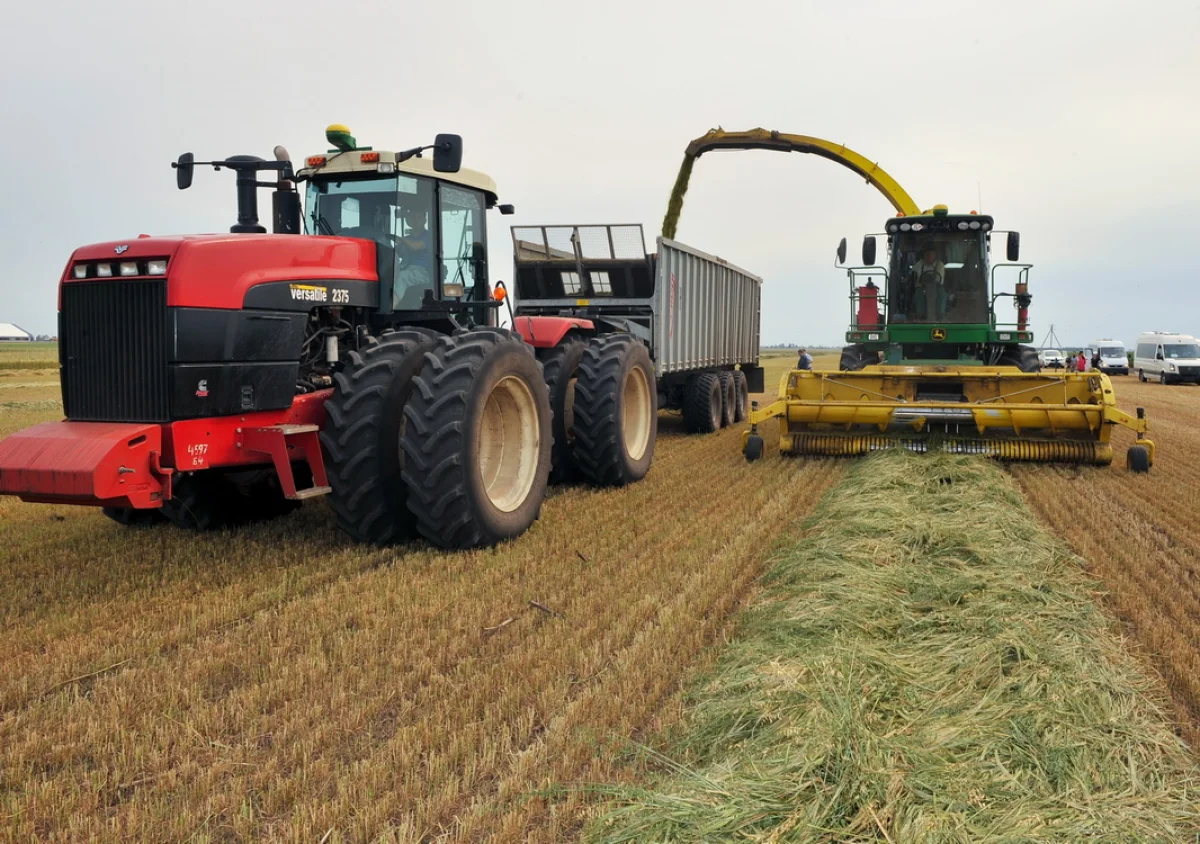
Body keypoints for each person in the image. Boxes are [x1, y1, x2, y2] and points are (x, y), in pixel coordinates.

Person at [393, 204, 434, 308]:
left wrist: (401, 240)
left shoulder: (429, 236)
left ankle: (390, 306)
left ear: (424, 219)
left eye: (418, 217)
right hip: (404, 268)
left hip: (422, 272)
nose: (415, 220)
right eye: (413, 217)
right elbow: (397, 252)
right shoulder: (407, 238)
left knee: (402, 277)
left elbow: (415, 247)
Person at [910, 247, 946, 321]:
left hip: (936, 286)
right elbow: (913, 275)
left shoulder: (939, 264)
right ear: (923, 256)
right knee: (918, 294)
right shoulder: (919, 264)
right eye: (927, 255)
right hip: (921, 286)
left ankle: (940, 314)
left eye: (930, 255)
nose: (928, 257)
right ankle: (920, 314)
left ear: (935, 255)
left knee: (942, 294)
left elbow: (939, 280)